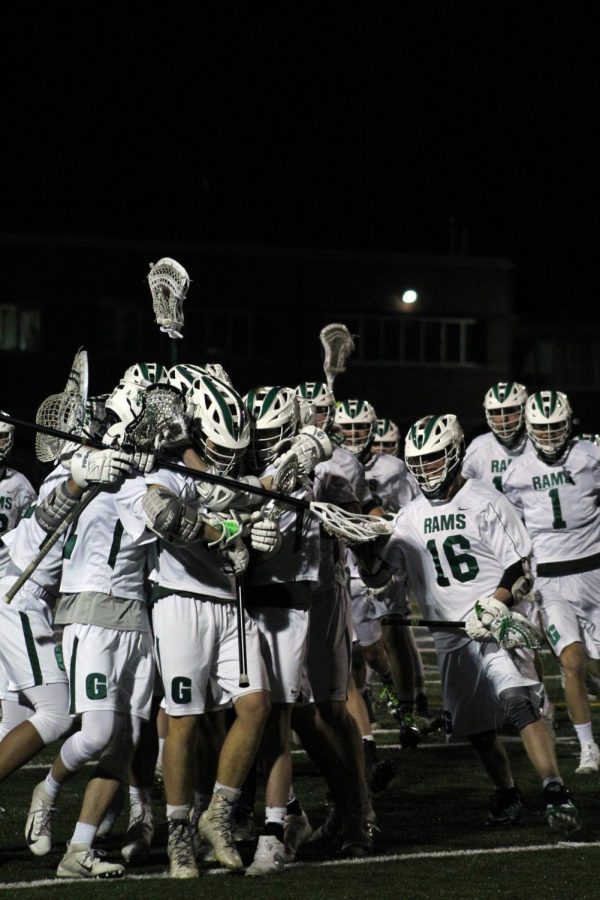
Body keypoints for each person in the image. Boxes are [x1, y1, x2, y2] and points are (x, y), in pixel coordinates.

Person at [357, 413, 580, 832]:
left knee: (518, 702)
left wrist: (495, 605)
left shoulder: (486, 500)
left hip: (494, 623)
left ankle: (554, 789)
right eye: (419, 461)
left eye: (435, 458)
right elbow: (383, 579)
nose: (426, 469)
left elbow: (521, 567)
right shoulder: (409, 516)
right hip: (450, 635)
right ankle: (507, 792)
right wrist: (361, 550)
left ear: (455, 453)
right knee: (474, 728)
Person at [142, 372, 272, 878]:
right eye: (217, 447)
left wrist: (261, 531)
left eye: (234, 450)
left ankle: (217, 814)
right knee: (184, 720)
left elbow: (261, 507)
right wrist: (227, 530)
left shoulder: (233, 474)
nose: (226, 459)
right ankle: (178, 831)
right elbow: (165, 515)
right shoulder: (169, 470)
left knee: (256, 706)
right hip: (181, 603)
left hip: (231, 601)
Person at [503, 390, 600, 775]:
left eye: (554, 426)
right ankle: (588, 748)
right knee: (571, 662)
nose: (547, 435)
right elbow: (513, 530)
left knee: (593, 665)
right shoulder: (516, 473)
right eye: (540, 428)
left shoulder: (591, 456)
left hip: (594, 571)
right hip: (551, 581)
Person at [462, 382, 529, 492]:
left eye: (510, 411)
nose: (503, 419)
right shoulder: (480, 447)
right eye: (497, 412)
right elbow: (457, 488)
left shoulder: (536, 444)